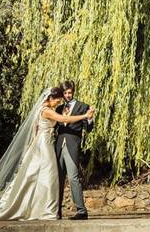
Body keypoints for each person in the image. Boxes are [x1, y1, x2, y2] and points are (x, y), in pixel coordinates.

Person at [0, 86, 94, 221]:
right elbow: (63, 120)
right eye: (58, 100)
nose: (59, 103)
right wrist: (84, 115)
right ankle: (48, 210)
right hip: (45, 145)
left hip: (45, 143)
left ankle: (45, 208)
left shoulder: (42, 109)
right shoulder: (47, 110)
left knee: (40, 176)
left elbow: (34, 129)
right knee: (49, 176)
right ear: (51, 98)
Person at [56, 80, 94, 220]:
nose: (67, 95)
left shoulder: (83, 106)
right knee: (58, 179)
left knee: (73, 177)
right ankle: (56, 211)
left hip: (72, 145)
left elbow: (88, 129)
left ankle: (81, 211)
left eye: (70, 92)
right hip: (58, 146)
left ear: (73, 91)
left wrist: (90, 118)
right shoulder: (58, 109)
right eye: (65, 93)